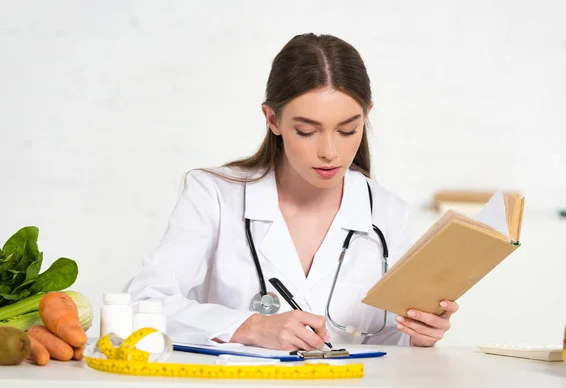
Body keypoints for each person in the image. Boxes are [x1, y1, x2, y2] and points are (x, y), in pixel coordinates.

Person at [127, 33, 458, 351]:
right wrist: (251, 327)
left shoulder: (389, 213)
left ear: (366, 116)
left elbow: (386, 347)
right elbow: (142, 305)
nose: (329, 151)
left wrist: (418, 336)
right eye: (307, 131)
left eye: (348, 130)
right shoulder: (214, 194)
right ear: (273, 119)